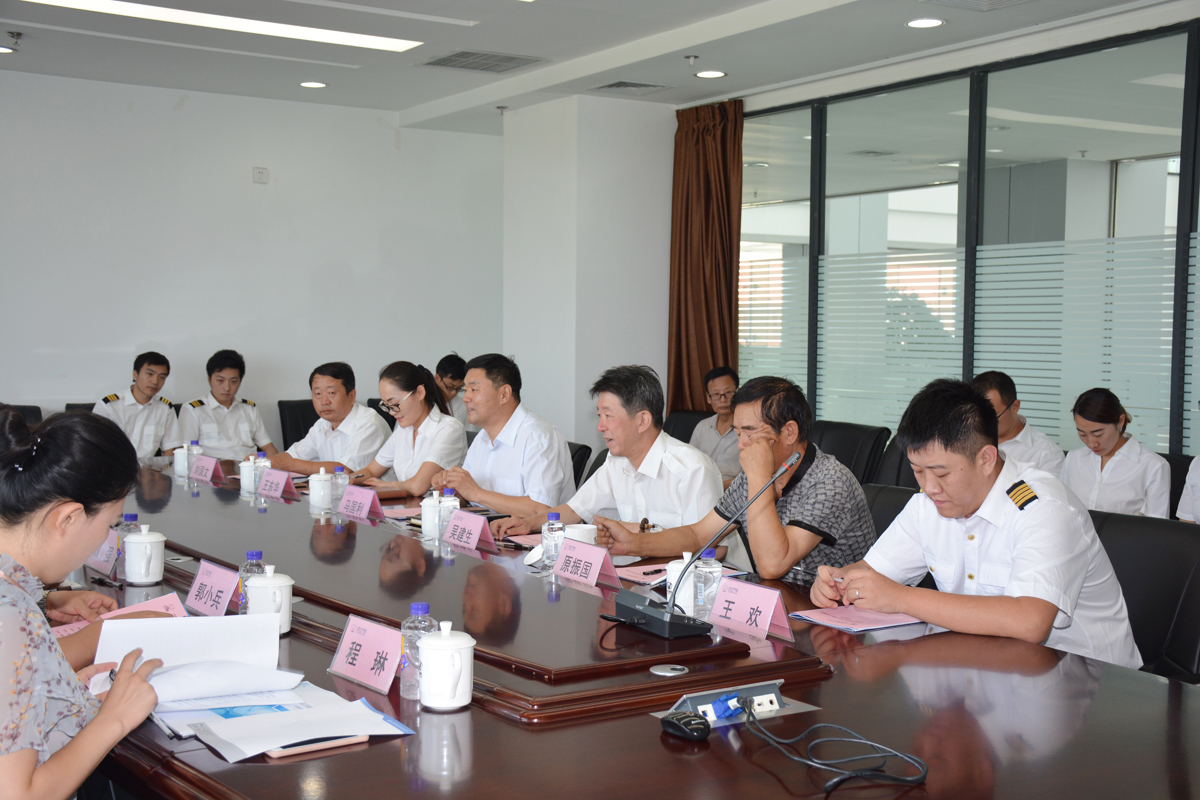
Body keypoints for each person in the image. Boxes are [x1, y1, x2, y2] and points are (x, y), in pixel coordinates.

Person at [810, 379, 1142, 669]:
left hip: (1089, 682)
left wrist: (902, 598)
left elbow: (1030, 621)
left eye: (940, 473)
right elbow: (871, 573)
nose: (928, 487)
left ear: (985, 458)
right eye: (917, 471)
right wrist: (837, 583)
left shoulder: (1044, 508)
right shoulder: (928, 505)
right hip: (983, 666)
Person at [0, 409, 162, 797]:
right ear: (68, 518)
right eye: (109, 524)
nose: (105, 538)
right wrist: (114, 719)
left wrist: (61, 692)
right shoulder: (10, 613)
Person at [596, 376, 875, 582]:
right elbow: (698, 535)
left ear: (789, 432)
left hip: (835, 614)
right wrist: (632, 543)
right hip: (779, 602)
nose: (742, 445)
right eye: (738, 433)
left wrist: (758, 477)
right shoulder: (756, 472)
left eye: (750, 432)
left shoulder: (829, 481)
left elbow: (772, 565)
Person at [493, 365, 721, 538]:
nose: (600, 427)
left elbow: (712, 548)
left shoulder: (692, 469)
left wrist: (636, 532)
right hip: (637, 573)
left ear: (642, 420)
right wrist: (528, 524)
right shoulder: (616, 461)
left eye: (608, 416)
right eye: (599, 416)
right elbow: (575, 510)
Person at [432, 354, 574, 518]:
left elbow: (541, 510)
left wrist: (476, 493)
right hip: (490, 530)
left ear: (504, 394)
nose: (465, 398)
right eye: (465, 390)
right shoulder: (482, 438)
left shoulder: (539, 436)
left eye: (474, 390)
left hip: (537, 534)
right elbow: (472, 499)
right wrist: (453, 492)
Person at [351, 362, 466, 496]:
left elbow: (418, 486)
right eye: (386, 405)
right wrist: (347, 479)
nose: (392, 412)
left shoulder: (449, 429)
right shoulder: (404, 429)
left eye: (395, 404)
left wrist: (390, 485)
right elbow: (371, 471)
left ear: (420, 393)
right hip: (409, 506)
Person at [1060, 388, 1169, 518]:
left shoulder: (1153, 466)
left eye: (1098, 434)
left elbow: (1157, 525)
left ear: (1120, 421)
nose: (1092, 443)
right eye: (1082, 434)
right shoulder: (1074, 458)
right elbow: (1060, 508)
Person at [268, 362, 390, 476]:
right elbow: (292, 455)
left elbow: (346, 470)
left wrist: (287, 464)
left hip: (378, 492)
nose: (324, 402)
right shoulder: (322, 424)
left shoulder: (368, 423)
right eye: (318, 394)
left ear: (351, 396)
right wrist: (263, 461)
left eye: (331, 393)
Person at [178, 350, 277, 461]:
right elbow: (185, 452)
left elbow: (267, 447)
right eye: (220, 380)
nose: (227, 388)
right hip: (214, 469)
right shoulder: (193, 410)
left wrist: (278, 466)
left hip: (249, 467)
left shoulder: (249, 408)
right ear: (209, 380)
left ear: (240, 381)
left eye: (233, 381)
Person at [971, 371, 1064, 476]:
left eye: (992, 416)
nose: (984, 423)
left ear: (1015, 406)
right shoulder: (967, 439)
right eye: (977, 416)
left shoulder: (1046, 453)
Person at [92, 351, 182, 460]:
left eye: (162, 377)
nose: (155, 381)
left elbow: (170, 450)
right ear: (135, 374)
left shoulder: (165, 408)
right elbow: (94, 449)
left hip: (149, 469)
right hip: (114, 468)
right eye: (150, 374)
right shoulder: (108, 406)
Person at [689, 366, 741, 488]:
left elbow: (750, 477)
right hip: (701, 489)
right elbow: (689, 464)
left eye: (728, 393)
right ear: (708, 398)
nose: (723, 400)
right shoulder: (702, 427)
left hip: (735, 492)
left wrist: (714, 487)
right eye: (716, 394)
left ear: (738, 393)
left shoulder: (748, 429)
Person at [435, 353, 473, 431]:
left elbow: (469, 434)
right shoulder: (423, 401)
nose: (454, 393)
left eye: (459, 388)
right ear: (437, 378)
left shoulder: (464, 407)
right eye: (450, 387)